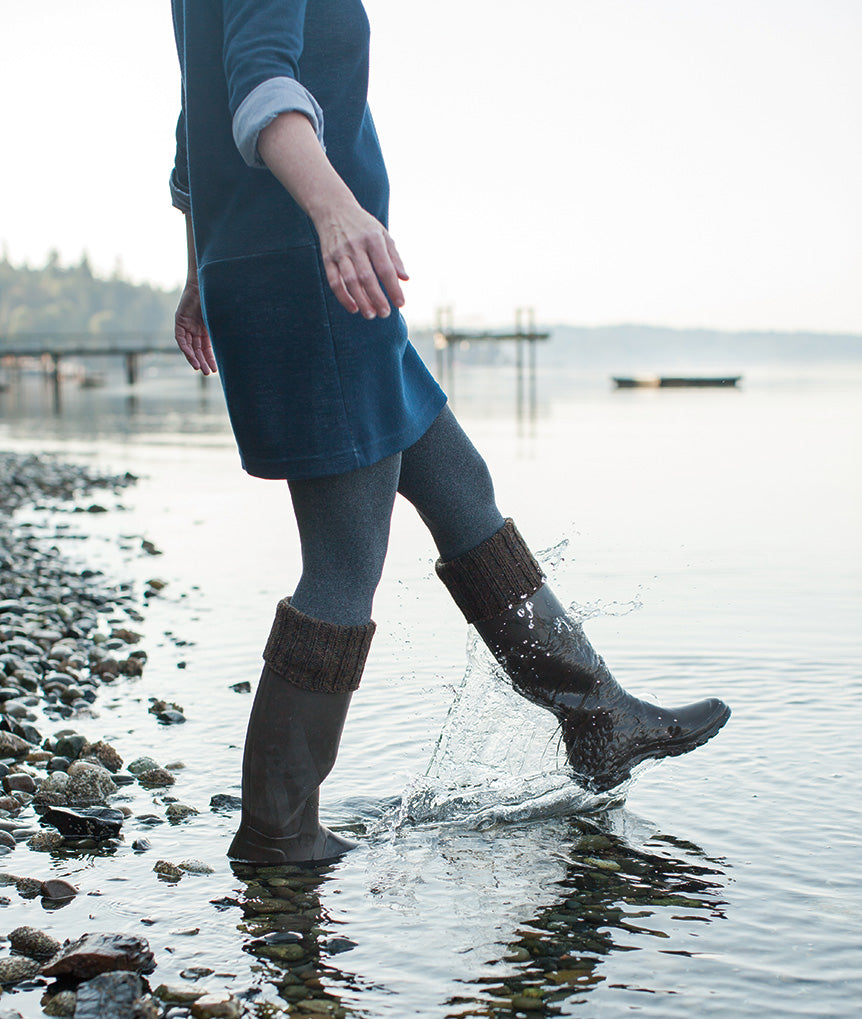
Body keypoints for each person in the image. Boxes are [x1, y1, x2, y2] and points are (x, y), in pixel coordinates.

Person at [169, 0, 730, 865]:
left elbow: (191, 133)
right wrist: (334, 212)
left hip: (295, 268)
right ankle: (280, 835)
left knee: (460, 484)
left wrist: (202, 264)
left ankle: (597, 717)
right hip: (316, 272)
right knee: (343, 562)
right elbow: (256, 86)